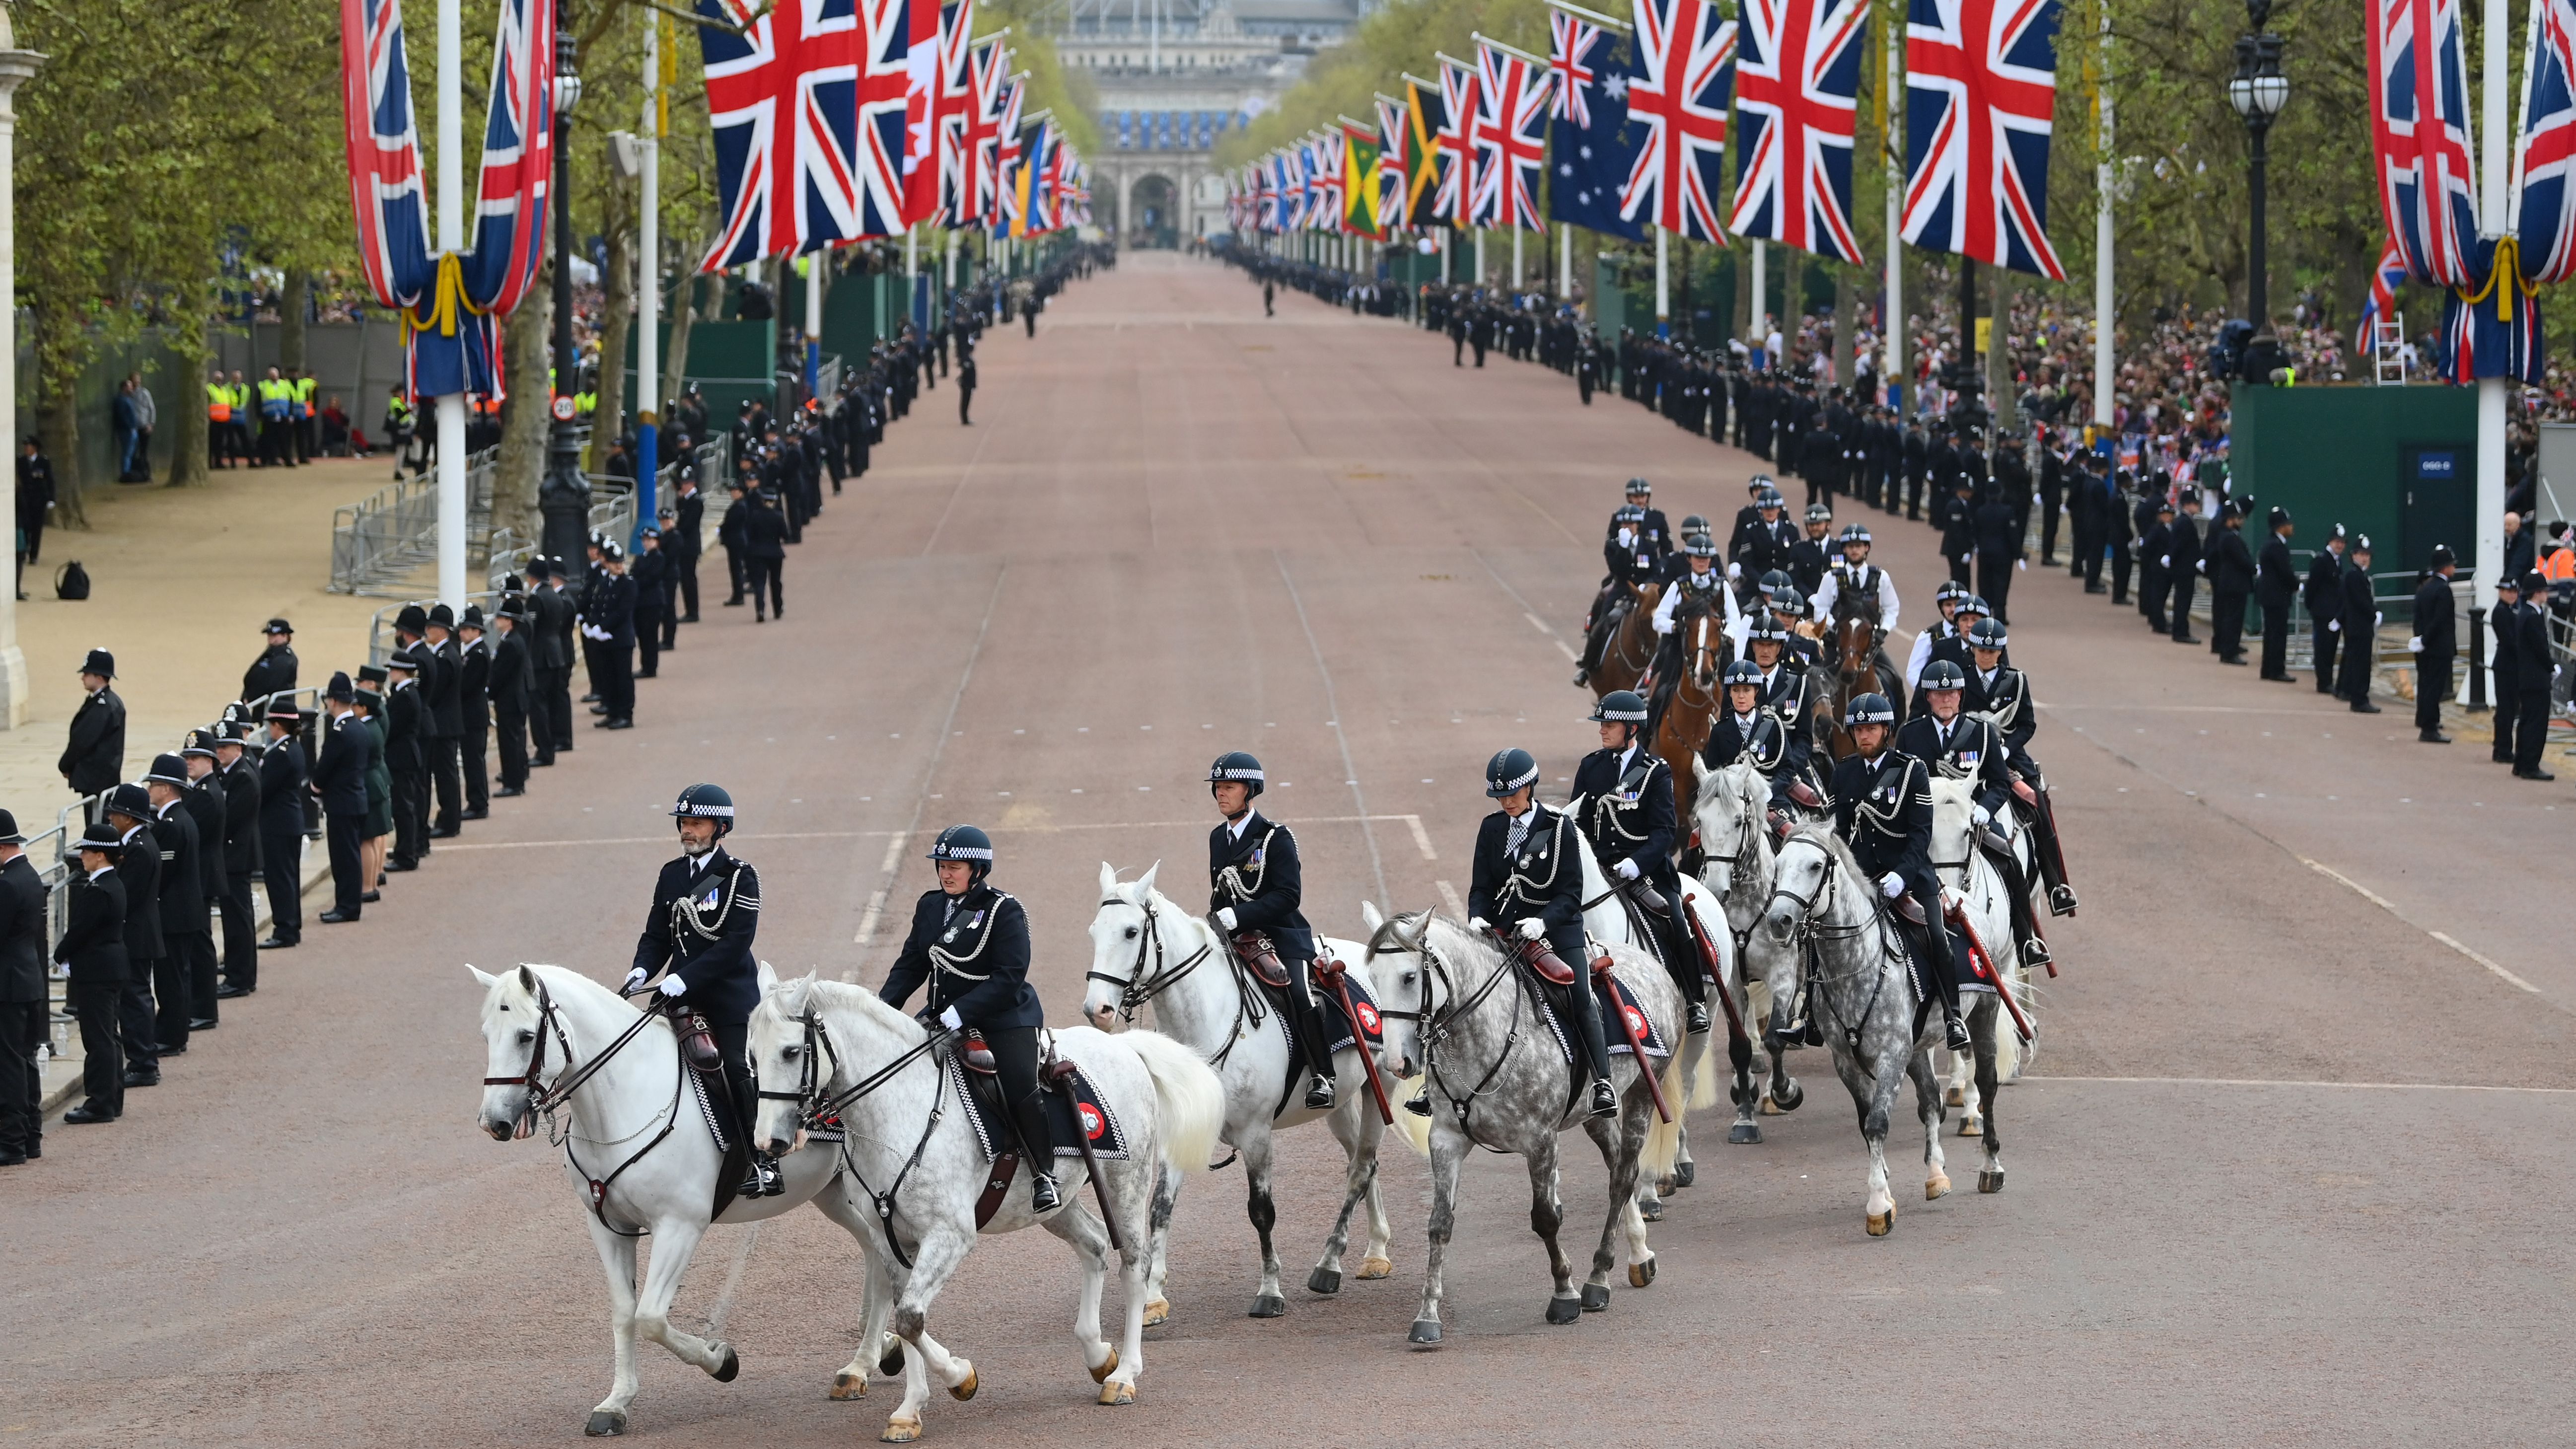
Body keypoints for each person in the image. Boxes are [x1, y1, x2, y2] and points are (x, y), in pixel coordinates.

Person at [879, 824, 1062, 1209]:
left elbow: (1011, 975)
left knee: (1018, 1086)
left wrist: (961, 1012)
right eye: (942, 865)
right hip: (943, 1014)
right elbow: (911, 965)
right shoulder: (930, 906)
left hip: (1004, 1016)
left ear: (977, 869)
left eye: (956, 866)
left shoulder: (1003, 909)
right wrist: (882, 1010)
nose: (946, 873)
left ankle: (1045, 1175)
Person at [626, 784, 780, 1199]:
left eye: (696, 824)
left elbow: (735, 943)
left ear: (720, 827)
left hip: (728, 997)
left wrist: (685, 977)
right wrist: (642, 968)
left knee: (733, 1065)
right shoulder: (671, 874)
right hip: (681, 995)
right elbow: (657, 934)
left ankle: (761, 1162)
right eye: (684, 823)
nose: (687, 831)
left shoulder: (740, 876)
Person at [1469, 748, 1617, 1119]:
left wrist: (1543, 922)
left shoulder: (1560, 828)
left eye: (1512, 794)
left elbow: (1570, 893)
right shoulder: (1491, 828)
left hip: (1556, 930)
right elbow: (1482, 887)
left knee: (1581, 995)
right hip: (1505, 930)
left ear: (1531, 787)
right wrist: (1476, 917)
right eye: (1500, 796)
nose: (1506, 802)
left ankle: (1603, 1082)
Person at [1826, 694, 1972, 1053]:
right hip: (1861, 882)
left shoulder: (1911, 770)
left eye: (1871, 729)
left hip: (1908, 879)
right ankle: (1809, 1016)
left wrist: (1902, 876)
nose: (1864, 736)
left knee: (1938, 938)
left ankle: (1953, 1017)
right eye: (1859, 730)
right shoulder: (1843, 772)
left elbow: (1922, 832)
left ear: (1887, 731)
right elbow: (1840, 833)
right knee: (1819, 933)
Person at [1203, 752, 1337, 1108]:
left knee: (1300, 995)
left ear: (1250, 790)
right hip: (1236, 939)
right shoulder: (1218, 839)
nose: (1221, 793)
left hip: (1281, 936)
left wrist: (1240, 916)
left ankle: (1324, 1076)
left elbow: (1288, 896)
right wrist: (1217, 922)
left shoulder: (1276, 838)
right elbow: (1221, 892)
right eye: (1217, 787)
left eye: (1229, 787)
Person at [1570, 693, 1704, 1032]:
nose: (1602, 731)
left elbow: (1664, 833)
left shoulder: (1656, 772)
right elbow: (1580, 823)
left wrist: (1635, 863)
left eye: (1609, 725)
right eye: (1602, 724)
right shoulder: (1591, 767)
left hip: (1645, 871)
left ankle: (1694, 1000)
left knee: (1675, 918)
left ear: (1631, 729)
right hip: (1601, 867)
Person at [56, 819, 130, 1127]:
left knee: (98, 1039)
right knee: (109, 1036)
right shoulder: (114, 883)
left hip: (96, 970)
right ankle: (112, 1097)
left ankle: (100, 1103)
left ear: (100, 855)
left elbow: (80, 931)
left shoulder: (99, 889)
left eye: (86, 851)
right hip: (111, 966)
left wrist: (60, 954)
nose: (82, 856)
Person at [143, 753, 209, 1048]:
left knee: (171, 980)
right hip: (184, 911)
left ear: (167, 788)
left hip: (174, 913)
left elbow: (162, 873)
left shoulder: (171, 824)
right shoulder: (180, 818)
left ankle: (171, 1036)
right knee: (177, 976)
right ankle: (174, 1033)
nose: (149, 791)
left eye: (153, 785)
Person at [102, 784, 163, 1087]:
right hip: (139, 932)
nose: (112, 817)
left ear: (129, 817)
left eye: (116, 813)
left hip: (136, 935)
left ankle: (143, 1063)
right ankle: (142, 1059)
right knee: (135, 997)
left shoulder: (138, 849)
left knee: (135, 999)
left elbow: (128, 896)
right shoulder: (135, 843)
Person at [0, 812, 44, 1161]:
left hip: (8, 985)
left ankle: (11, 1142)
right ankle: (31, 1135)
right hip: (27, 979)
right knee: (25, 1059)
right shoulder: (28, 875)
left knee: (9, 1062)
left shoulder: (8, 884)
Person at [206, 727, 262, 997]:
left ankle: (240, 977)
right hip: (232, 856)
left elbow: (229, 820)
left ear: (238, 748)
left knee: (238, 918)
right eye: (217, 746)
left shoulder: (242, 777)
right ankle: (239, 971)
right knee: (234, 917)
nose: (220, 751)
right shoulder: (228, 774)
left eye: (225, 747)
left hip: (237, 857)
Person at [313, 674, 368, 924]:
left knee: (343, 858)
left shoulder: (340, 731)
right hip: (355, 798)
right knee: (350, 856)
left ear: (333, 701)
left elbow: (325, 767)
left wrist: (316, 786)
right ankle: (349, 904)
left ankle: (347, 906)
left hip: (341, 802)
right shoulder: (359, 727)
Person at [255, 700, 307, 950]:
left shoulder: (280, 754)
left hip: (278, 825)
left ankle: (285, 928)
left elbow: (264, 789)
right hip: (289, 822)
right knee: (289, 876)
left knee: (279, 878)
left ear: (278, 725)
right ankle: (291, 925)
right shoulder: (293, 749)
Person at [419, 605, 465, 838]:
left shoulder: (445, 657)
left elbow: (435, 693)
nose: (427, 630)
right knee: (446, 773)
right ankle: (449, 819)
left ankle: (449, 821)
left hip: (444, 724)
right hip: (446, 722)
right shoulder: (445, 653)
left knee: (446, 775)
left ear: (442, 630)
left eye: (431, 627)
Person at [2407, 546, 2461, 745]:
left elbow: (2419, 618)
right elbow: (2440, 621)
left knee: (2426, 684)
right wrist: (2427, 639)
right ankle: (2430, 727)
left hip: (2425, 647)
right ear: (2445, 568)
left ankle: (2425, 720)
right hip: (2438, 647)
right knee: (2434, 688)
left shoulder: (2426, 588)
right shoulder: (2443, 590)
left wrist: (2420, 640)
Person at [61, 649, 127, 806]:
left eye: (87, 673)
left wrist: (65, 764)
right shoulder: (106, 701)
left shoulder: (102, 705)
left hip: (95, 779)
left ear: (98, 676)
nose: (83, 677)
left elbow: (83, 740)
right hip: (100, 777)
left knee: (96, 822)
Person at [584, 541, 638, 729]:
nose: (619, 566)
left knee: (623, 678)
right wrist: (591, 624)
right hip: (605, 640)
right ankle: (612, 712)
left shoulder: (628, 584)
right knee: (608, 677)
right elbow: (598, 606)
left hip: (621, 638)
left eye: (621, 563)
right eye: (615, 563)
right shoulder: (605, 583)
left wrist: (602, 627)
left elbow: (622, 612)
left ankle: (625, 714)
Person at [383, 646, 428, 869]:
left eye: (393, 669)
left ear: (401, 671)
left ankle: (407, 854)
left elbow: (392, 728)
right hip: (403, 756)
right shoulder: (405, 693)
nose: (390, 673)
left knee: (404, 807)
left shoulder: (406, 697)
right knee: (403, 806)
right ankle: (404, 848)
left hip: (403, 757)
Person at [2510, 570, 2557, 781]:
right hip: (2537, 678)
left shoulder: (2524, 614)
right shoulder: (2532, 616)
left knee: (2526, 720)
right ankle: (2531, 765)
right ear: (2537, 593)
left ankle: (2521, 762)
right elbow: (2540, 648)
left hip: (2526, 677)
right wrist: (2552, 667)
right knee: (2537, 722)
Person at [489, 596, 531, 797]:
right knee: (513, 740)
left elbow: (499, 674)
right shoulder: (512, 640)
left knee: (510, 742)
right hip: (514, 698)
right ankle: (515, 779)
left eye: (502, 617)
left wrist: (489, 692)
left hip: (510, 700)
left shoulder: (511, 644)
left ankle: (513, 783)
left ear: (509, 620)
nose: (498, 620)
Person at [2206, 500, 2256, 665]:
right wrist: (2254, 568)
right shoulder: (2228, 538)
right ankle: (2229, 651)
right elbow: (2242, 560)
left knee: (2234, 618)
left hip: (2235, 583)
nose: (2241, 522)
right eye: (2237, 518)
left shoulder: (2231, 536)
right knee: (2232, 618)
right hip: (2234, 583)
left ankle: (2231, 648)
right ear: (2230, 520)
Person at [2337, 534, 2382, 712]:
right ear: (2353, 556)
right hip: (2359, 627)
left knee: (2361, 663)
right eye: (2361, 554)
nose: (2365, 558)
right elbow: (2360, 601)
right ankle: (2359, 699)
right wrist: (2374, 614)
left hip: (2360, 627)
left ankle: (2357, 695)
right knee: (2360, 664)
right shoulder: (2355, 576)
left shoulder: (2358, 576)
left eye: (2367, 555)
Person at [2255, 507, 2298, 681]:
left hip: (2271, 595)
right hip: (2276, 596)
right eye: (2288, 524)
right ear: (2281, 527)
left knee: (2272, 633)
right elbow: (2285, 572)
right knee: (2277, 633)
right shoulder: (2276, 546)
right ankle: (2276, 670)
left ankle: (2268, 669)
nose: (2291, 527)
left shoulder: (2271, 544)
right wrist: (2297, 585)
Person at [2306, 524, 2348, 695]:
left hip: (2334, 613)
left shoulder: (2338, 563)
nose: (2340, 545)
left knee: (2331, 648)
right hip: (2323, 613)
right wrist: (2314, 608)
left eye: (2342, 542)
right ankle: (2324, 682)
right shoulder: (2322, 560)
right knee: (2323, 648)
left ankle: (2329, 680)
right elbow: (2312, 587)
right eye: (2337, 541)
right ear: (2330, 542)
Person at [742, 485, 788, 622]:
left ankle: (760, 610)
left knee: (760, 583)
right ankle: (778, 609)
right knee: (776, 582)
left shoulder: (755, 516)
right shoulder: (779, 517)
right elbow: (786, 535)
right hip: (775, 553)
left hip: (758, 553)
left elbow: (749, 534)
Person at [2164, 491, 2204, 644]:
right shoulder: (2184, 522)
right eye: (2195, 503)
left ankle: (2180, 630)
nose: (2198, 506)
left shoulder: (2184, 521)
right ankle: (2181, 631)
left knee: (2182, 600)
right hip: (2184, 569)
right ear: (2188, 504)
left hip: (2184, 568)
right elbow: (2179, 545)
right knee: (2183, 601)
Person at [16, 435, 53, 600]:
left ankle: (34, 555)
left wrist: (51, 498)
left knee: (37, 528)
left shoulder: (44, 462)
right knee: (25, 527)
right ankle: (24, 551)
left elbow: (50, 480)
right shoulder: (21, 462)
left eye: (29, 446)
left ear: (35, 448)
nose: (27, 449)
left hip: (39, 500)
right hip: (25, 500)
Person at [630, 529, 669, 681]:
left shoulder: (658, 558)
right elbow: (634, 574)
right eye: (644, 540)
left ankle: (650, 667)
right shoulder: (640, 558)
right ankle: (645, 665)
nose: (646, 543)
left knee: (650, 635)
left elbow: (652, 578)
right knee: (642, 635)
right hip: (640, 602)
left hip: (653, 602)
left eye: (649, 540)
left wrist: (637, 582)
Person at [669, 475, 705, 626]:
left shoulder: (696, 501)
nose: (683, 486)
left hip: (690, 546)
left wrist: (675, 532)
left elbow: (688, 524)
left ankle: (693, 611)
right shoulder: (685, 499)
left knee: (689, 579)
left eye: (686, 483)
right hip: (686, 546)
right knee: (686, 579)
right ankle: (690, 610)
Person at [243, 619, 298, 705]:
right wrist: (246, 695)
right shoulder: (270, 652)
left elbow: (272, 684)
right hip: (261, 704)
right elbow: (252, 674)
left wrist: (251, 698)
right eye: (269, 634)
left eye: (274, 635)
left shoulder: (286, 658)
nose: (270, 637)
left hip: (275, 707)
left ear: (285, 636)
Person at [957, 347, 977, 426]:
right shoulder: (966, 359)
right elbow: (967, 371)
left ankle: (965, 418)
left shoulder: (969, 359)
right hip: (966, 384)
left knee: (967, 401)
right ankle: (964, 419)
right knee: (965, 402)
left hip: (969, 384)